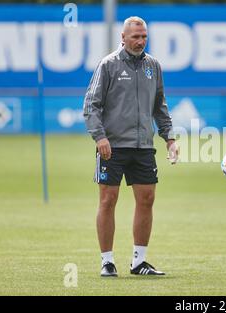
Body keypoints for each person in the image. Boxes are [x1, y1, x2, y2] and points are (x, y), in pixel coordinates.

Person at [83, 16, 178, 277]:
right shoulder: (108, 65)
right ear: (122, 38)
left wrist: (169, 137)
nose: (140, 41)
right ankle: (107, 261)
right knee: (108, 200)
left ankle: (139, 262)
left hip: (143, 146)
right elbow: (91, 105)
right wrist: (100, 137)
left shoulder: (153, 66)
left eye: (144, 36)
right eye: (135, 36)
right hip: (111, 146)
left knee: (147, 199)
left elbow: (160, 106)